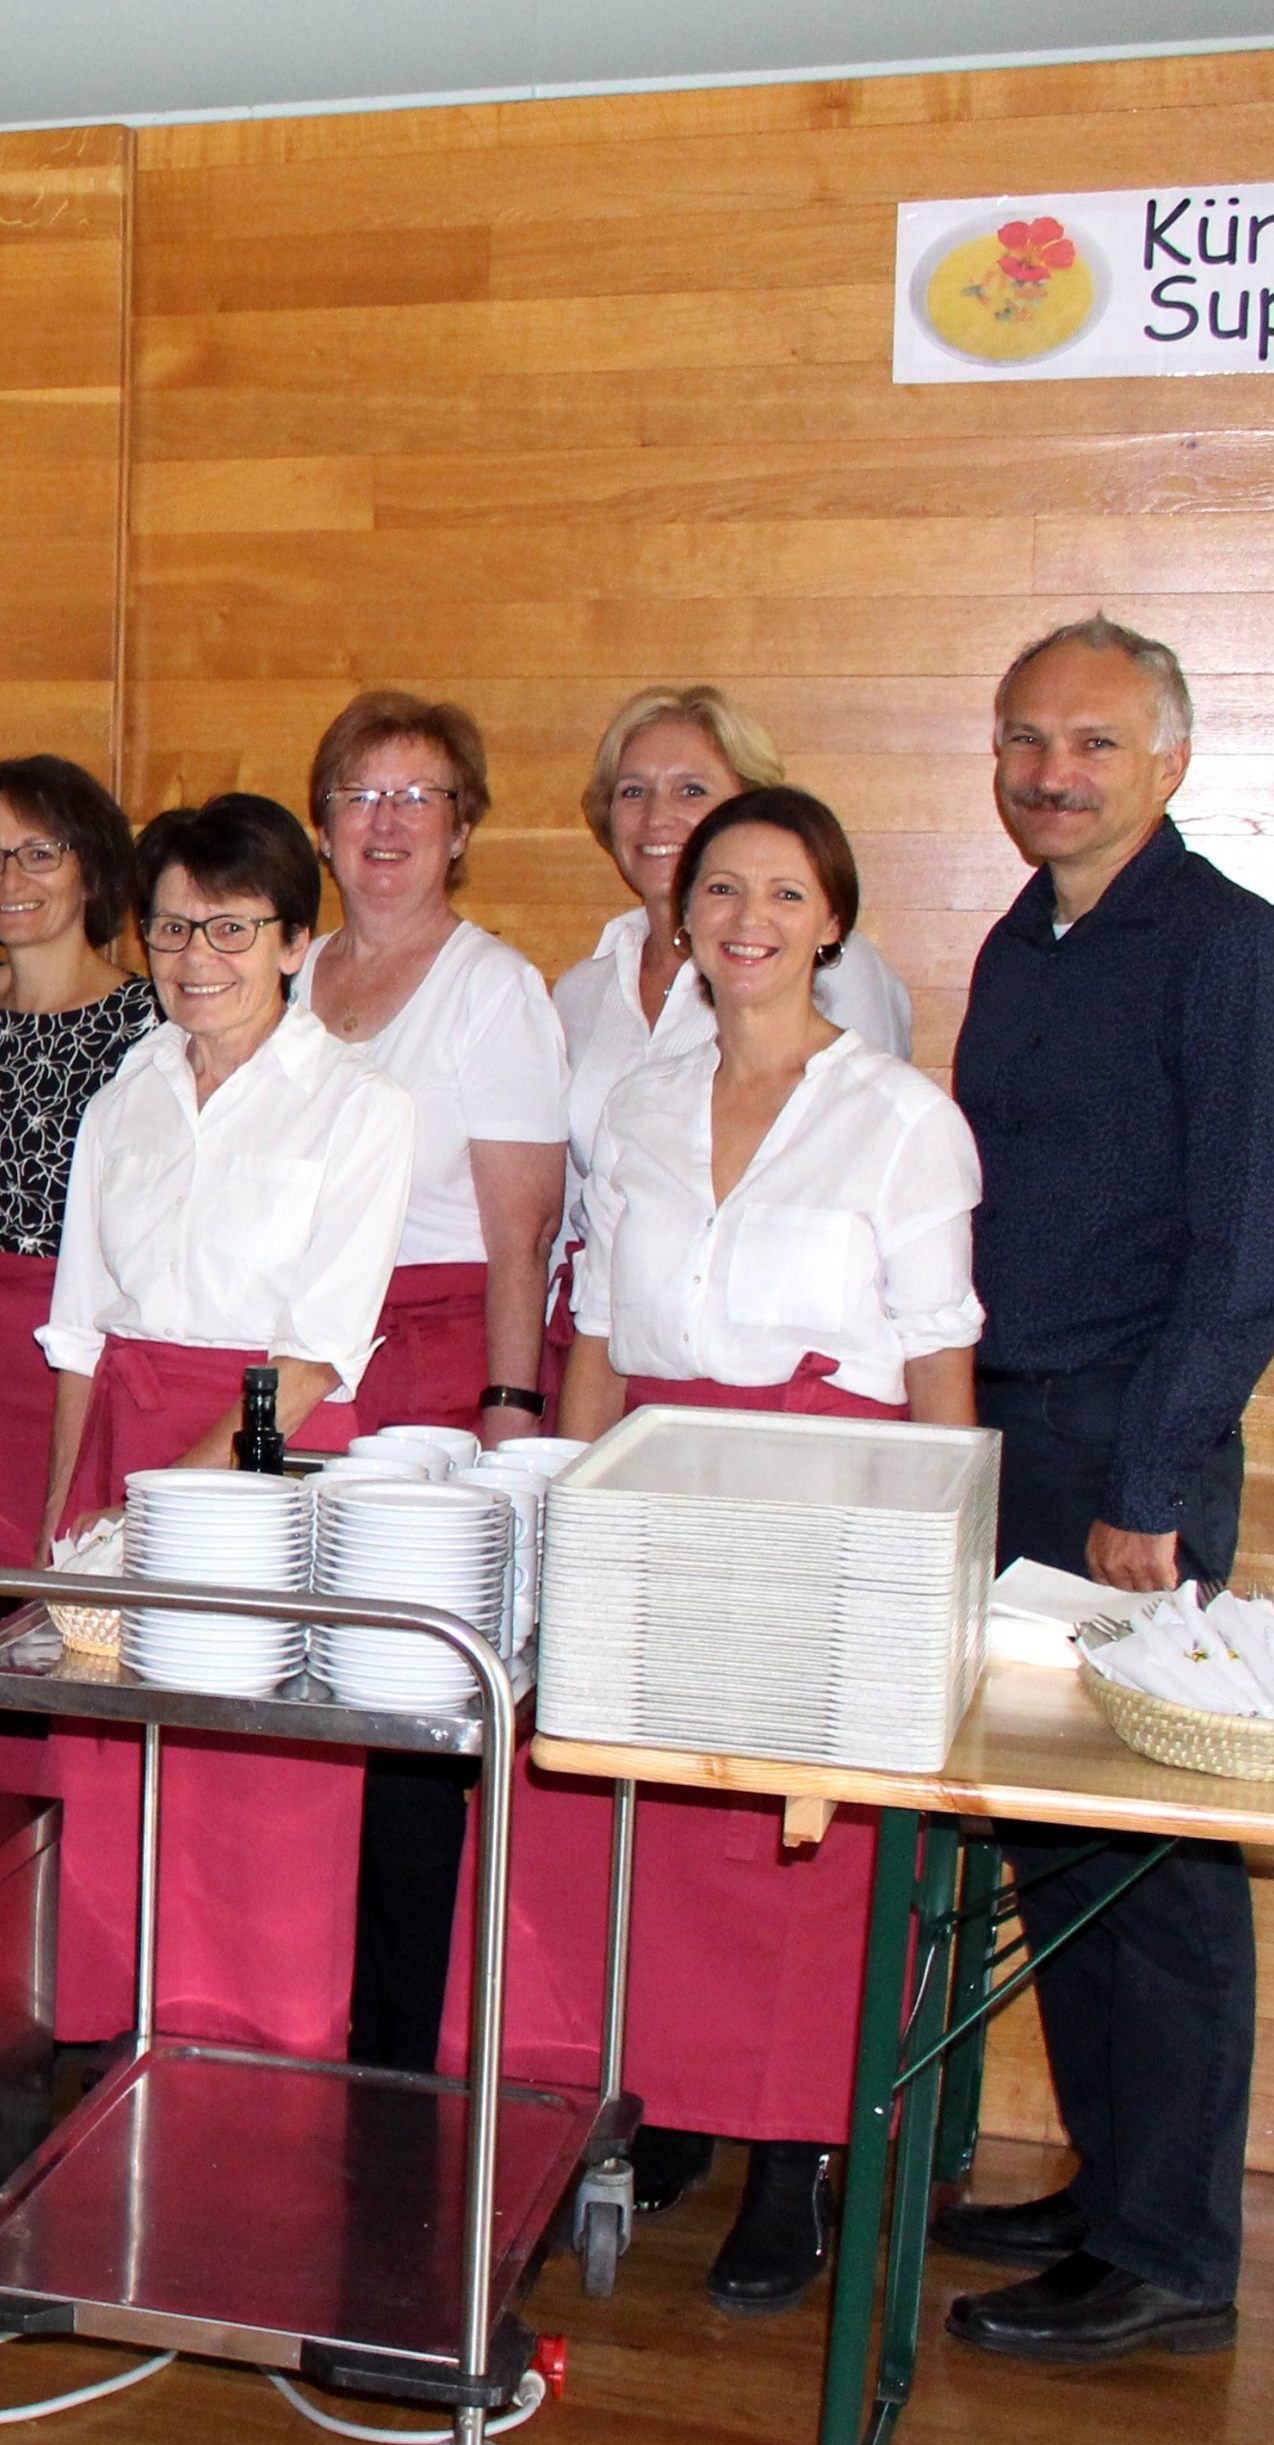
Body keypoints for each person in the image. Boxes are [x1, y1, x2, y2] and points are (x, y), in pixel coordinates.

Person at [479, 787, 981, 2312]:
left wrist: (939, 1574)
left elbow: (942, 1357)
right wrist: (563, 1506)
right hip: (655, 1489)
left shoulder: (900, 1116)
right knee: (651, 1835)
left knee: (797, 1850)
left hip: (832, 1502)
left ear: (830, 920)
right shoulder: (637, 1098)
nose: (744, 922)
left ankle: (798, 2158)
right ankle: (678, 2111)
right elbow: (600, 1332)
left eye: (779, 895)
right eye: (717, 893)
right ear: (679, 916)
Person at [938, 617, 1274, 2364]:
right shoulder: (1027, 937)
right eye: (1023, 742)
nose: (1050, 774)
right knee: (1057, 1832)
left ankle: (1168, 2245)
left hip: (1126, 1451)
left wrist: (1152, 1477)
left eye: (1088, 743)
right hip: (1016, 1432)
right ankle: (1103, 2178)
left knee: (1156, 1861)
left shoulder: (1228, 949)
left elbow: (1243, 1251)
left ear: (1169, 761)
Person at [39, 794, 415, 2057]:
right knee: (112, 1762)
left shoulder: (359, 1106)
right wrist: (66, 1515)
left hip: (265, 1463)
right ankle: (114, 2033)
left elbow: (312, 1359)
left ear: (297, 941)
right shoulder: (122, 1096)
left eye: (232, 929)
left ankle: (265, 2045)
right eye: (169, 930)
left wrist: (162, 1507)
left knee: (262, 1768)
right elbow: (80, 1330)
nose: (196, 960)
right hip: (124, 1440)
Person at [296, 691, 571, 2074]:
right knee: (306, 1706)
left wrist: (507, 1414)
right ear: (322, 826)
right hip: (307, 1360)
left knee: (412, 1726)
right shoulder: (288, 977)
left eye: (417, 797)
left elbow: (519, 1229)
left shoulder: (491, 988)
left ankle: (396, 2054)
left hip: (446, 1362)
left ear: (461, 827)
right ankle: (291, 2011)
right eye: (360, 795)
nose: (386, 822)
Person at [554, 684, 912, 1397]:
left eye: (691, 789)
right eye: (632, 791)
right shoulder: (579, 992)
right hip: (604, 1333)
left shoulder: (835, 971)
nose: (658, 816)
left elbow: (860, 1164)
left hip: (770, 1361)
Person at [0, 755, 155, 1600]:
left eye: (39, 852)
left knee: (57, 1585)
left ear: (91, 864)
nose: (10, 877)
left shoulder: (152, 1024)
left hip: (80, 1351)